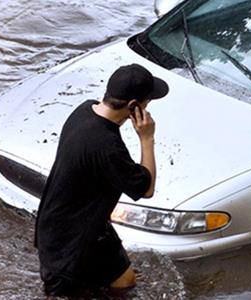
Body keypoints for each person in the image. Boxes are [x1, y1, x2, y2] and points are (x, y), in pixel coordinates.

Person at [34, 63, 169, 297]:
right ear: (134, 106)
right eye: (147, 102)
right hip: (69, 246)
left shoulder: (84, 110)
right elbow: (146, 189)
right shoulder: (107, 147)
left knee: (125, 282)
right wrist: (147, 138)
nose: (148, 107)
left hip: (77, 227)